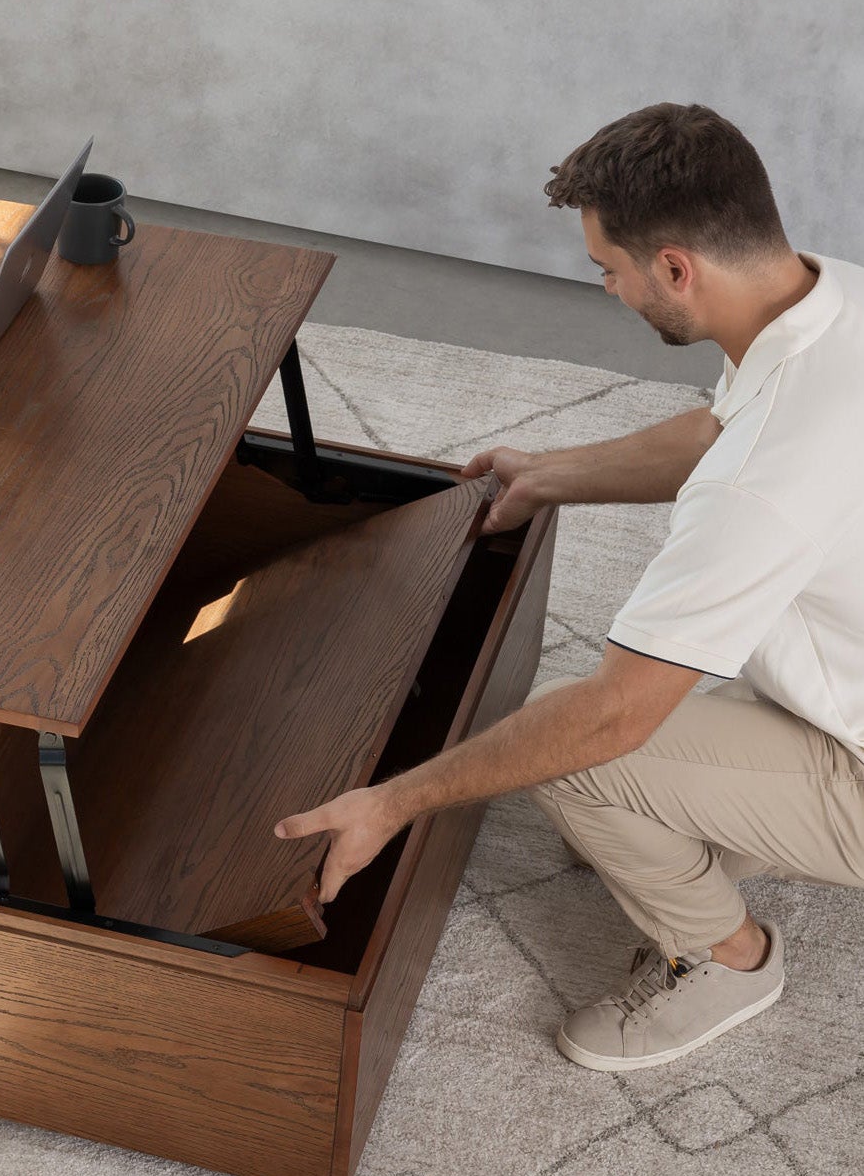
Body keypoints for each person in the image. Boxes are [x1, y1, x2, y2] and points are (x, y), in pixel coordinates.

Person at [274, 102, 864, 1071]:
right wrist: (549, 474)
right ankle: (706, 817)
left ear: (676, 266)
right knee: (628, 746)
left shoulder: (765, 480)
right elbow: (717, 432)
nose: (605, 286)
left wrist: (391, 802)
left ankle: (727, 960)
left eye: (610, 266)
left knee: (577, 752)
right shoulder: (826, 301)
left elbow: (613, 718)